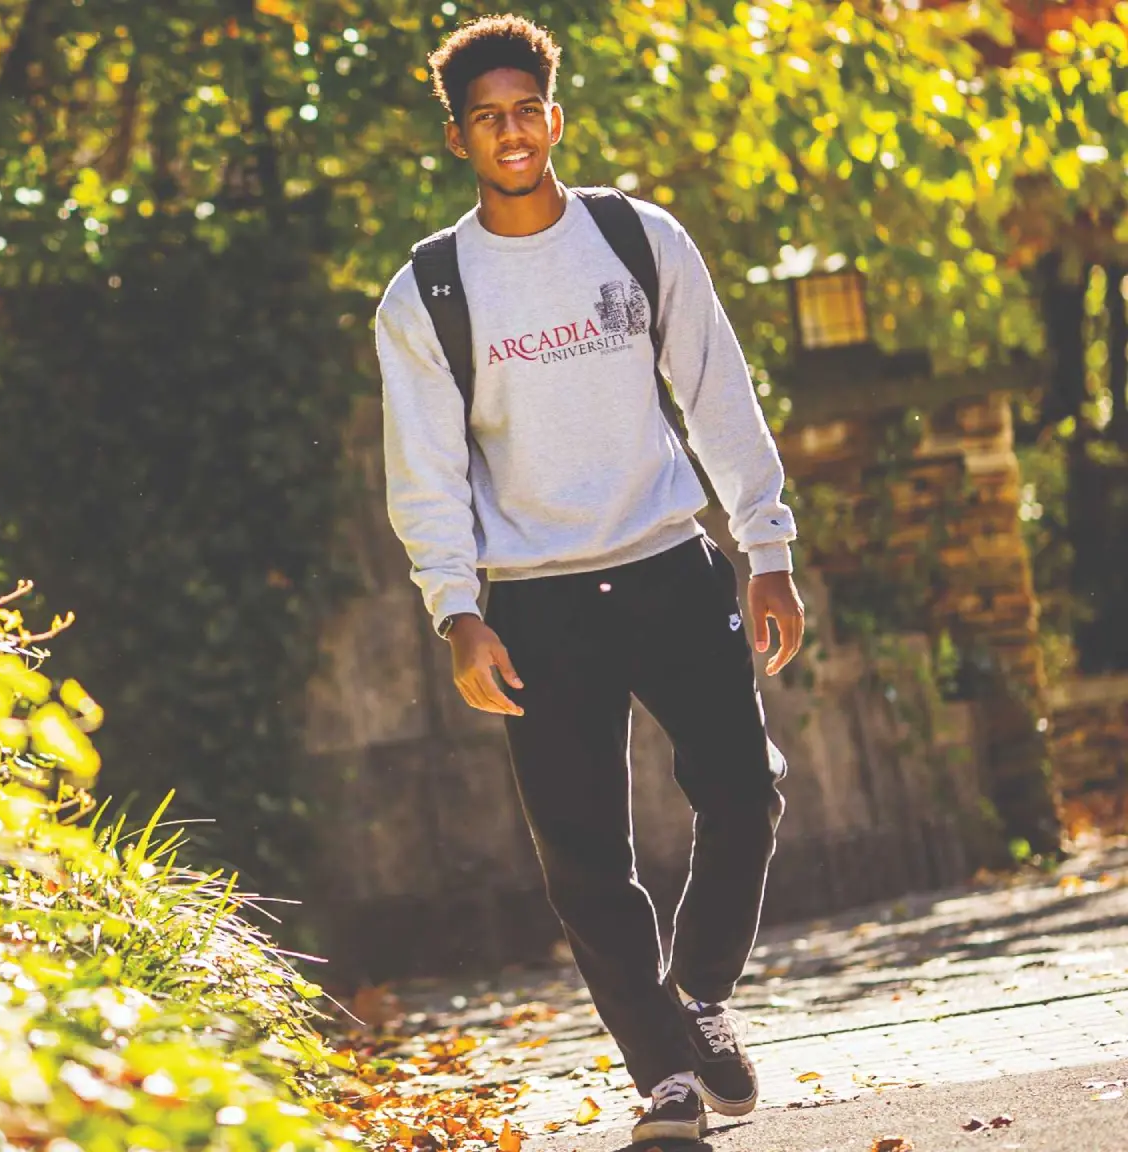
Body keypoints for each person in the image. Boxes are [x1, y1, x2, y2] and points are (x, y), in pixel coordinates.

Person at [373, 14, 808, 1145]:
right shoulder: (427, 291)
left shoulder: (634, 237)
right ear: (459, 137)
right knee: (583, 857)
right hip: (536, 601)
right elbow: (422, 472)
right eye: (485, 118)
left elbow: (718, 395)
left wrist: (765, 548)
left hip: (669, 566)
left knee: (742, 790)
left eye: (526, 110)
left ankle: (693, 997)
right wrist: (456, 613)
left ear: (552, 118)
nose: (509, 132)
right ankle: (662, 1078)